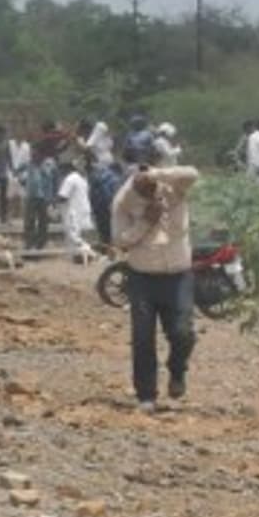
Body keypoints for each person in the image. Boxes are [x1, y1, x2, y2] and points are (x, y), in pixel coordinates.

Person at [111, 165, 201, 414]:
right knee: (142, 337)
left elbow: (192, 174)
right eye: (145, 191)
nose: (152, 196)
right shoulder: (123, 202)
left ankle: (177, 369)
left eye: (153, 190)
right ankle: (146, 394)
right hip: (142, 277)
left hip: (178, 274)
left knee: (183, 332)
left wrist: (157, 174)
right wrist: (145, 222)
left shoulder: (172, 187)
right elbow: (120, 240)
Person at [20, 147, 57, 251]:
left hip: (44, 197)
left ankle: (41, 243)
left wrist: (53, 197)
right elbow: (18, 171)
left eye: (36, 155)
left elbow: (54, 180)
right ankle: (29, 243)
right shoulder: (28, 164)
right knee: (29, 220)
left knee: (43, 221)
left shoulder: (49, 164)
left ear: (41, 155)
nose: (34, 156)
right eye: (32, 155)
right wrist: (22, 180)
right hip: (31, 196)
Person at [57, 162, 95, 261]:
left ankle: (85, 253)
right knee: (81, 235)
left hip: (73, 211)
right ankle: (82, 256)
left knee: (73, 236)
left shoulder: (70, 179)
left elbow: (63, 196)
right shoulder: (83, 179)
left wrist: (54, 205)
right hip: (84, 209)